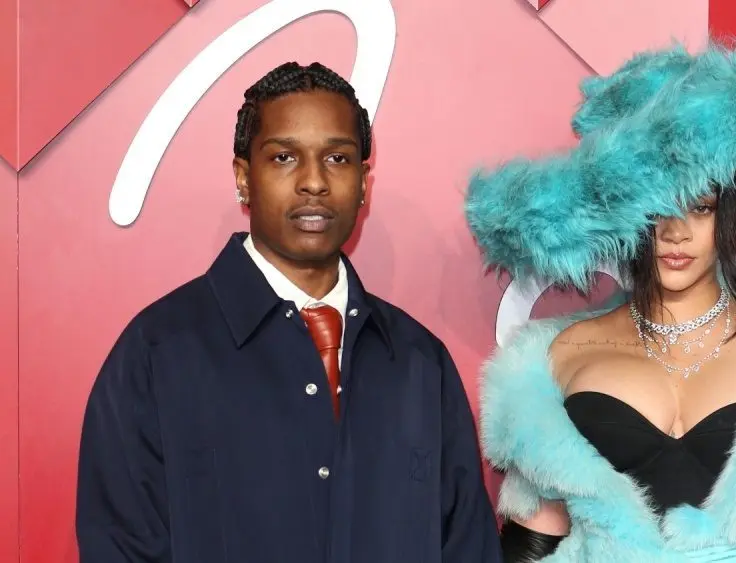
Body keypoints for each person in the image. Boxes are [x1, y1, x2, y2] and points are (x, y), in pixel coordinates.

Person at [464, 31, 736, 562]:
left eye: (698, 205)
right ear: (623, 217)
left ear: (728, 207)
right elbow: (533, 542)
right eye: (655, 210)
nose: (675, 232)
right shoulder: (554, 361)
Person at [76, 62, 502, 563]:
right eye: (283, 157)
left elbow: (467, 548)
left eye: (338, 159)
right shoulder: (157, 354)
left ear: (364, 182)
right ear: (243, 177)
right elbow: (120, 547)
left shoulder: (418, 363)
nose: (314, 182)